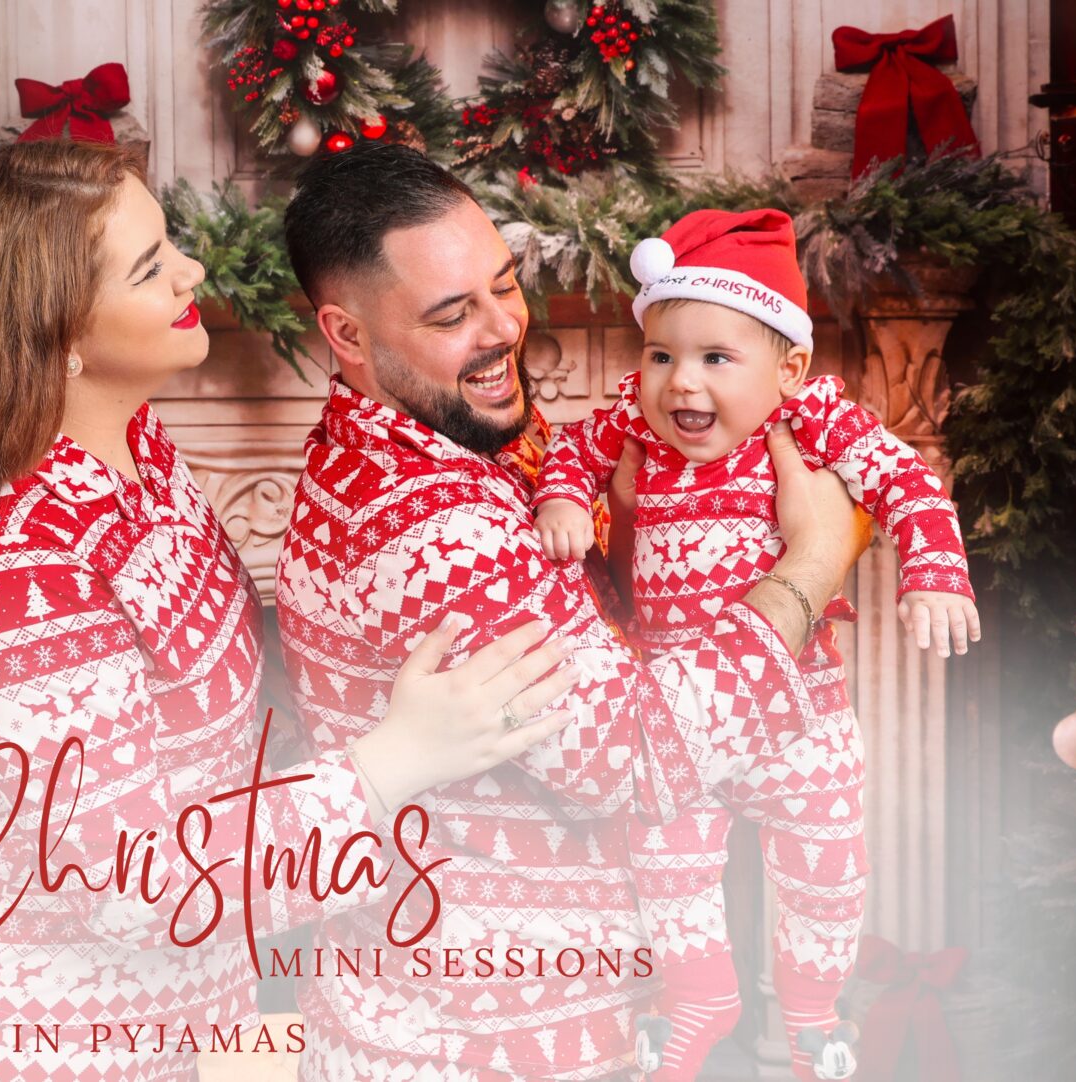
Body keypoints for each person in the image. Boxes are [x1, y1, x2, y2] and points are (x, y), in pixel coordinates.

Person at [0, 138, 583, 1081]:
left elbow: (201, 731)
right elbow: (125, 885)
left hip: (172, 1033)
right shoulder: (20, 570)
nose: (193, 270)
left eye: (171, 243)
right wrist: (398, 759)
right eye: (152, 268)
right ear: (60, 332)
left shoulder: (137, 452)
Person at [272, 143, 871, 1080]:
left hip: (491, 1013)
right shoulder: (437, 523)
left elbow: (588, 644)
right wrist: (813, 562)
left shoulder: (415, 450)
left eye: (503, 286)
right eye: (450, 314)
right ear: (347, 334)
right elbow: (631, 759)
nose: (502, 329)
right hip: (496, 1041)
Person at [529, 208, 980, 1081]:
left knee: (827, 865)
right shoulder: (632, 417)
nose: (680, 386)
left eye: (715, 360)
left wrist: (936, 574)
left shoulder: (814, 417)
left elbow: (908, 483)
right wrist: (560, 497)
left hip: (795, 712)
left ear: (791, 367)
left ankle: (811, 1012)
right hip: (681, 715)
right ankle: (698, 996)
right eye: (661, 356)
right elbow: (575, 447)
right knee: (666, 865)